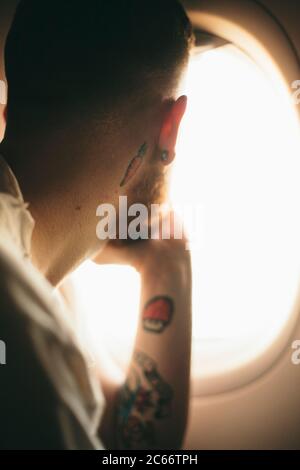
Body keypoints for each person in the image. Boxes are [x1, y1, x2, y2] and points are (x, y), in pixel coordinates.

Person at [0, 0, 194, 450]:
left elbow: (123, 441)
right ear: (170, 128)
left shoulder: (44, 270)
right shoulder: (20, 316)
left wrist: (167, 265)